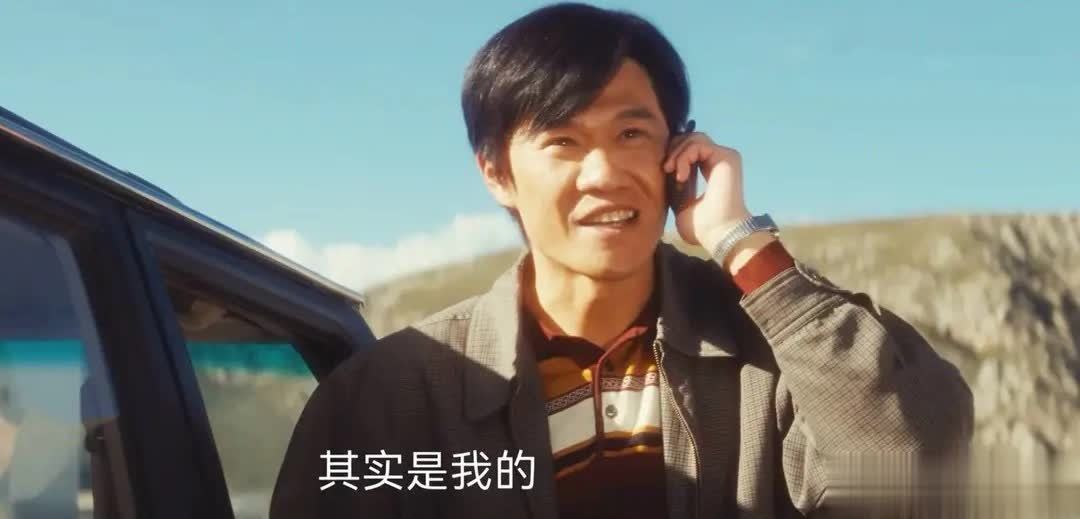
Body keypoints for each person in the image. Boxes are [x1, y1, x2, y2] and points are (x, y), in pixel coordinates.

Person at [270, 3, 973, 518]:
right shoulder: (392, 395)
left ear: (680, 153)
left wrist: (744, 245)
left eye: (632, 133)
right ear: (496, 172)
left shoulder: (771, 358)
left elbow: (916, 469)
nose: (604, 173)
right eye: (563, 142)